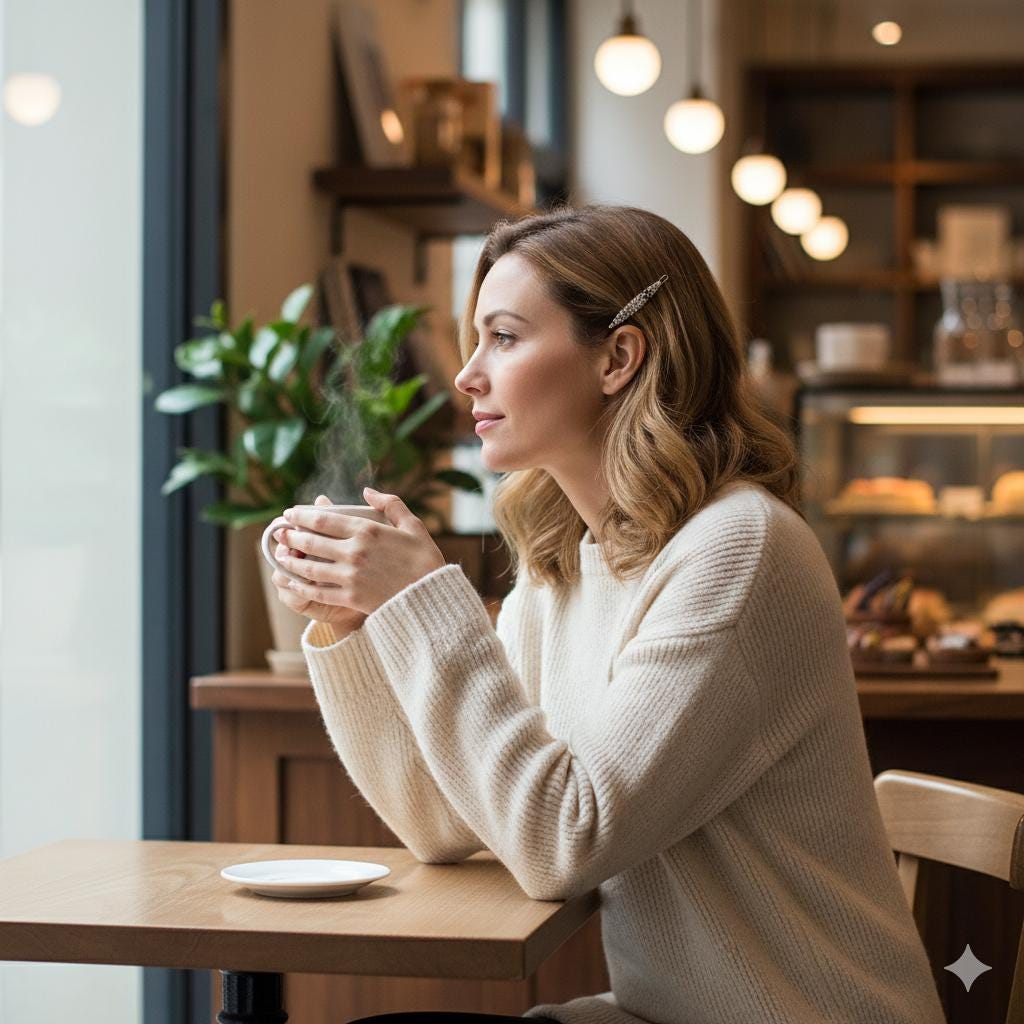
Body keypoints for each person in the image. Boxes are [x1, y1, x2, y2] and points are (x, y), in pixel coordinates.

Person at [270, 204, 947, 1024]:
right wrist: (352, 624)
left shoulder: (740, 549)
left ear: (619, 357)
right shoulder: (565, 565)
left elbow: (565, 842)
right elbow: (446, 823)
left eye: (506, 337)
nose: (467, 374)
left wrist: (421, 600)